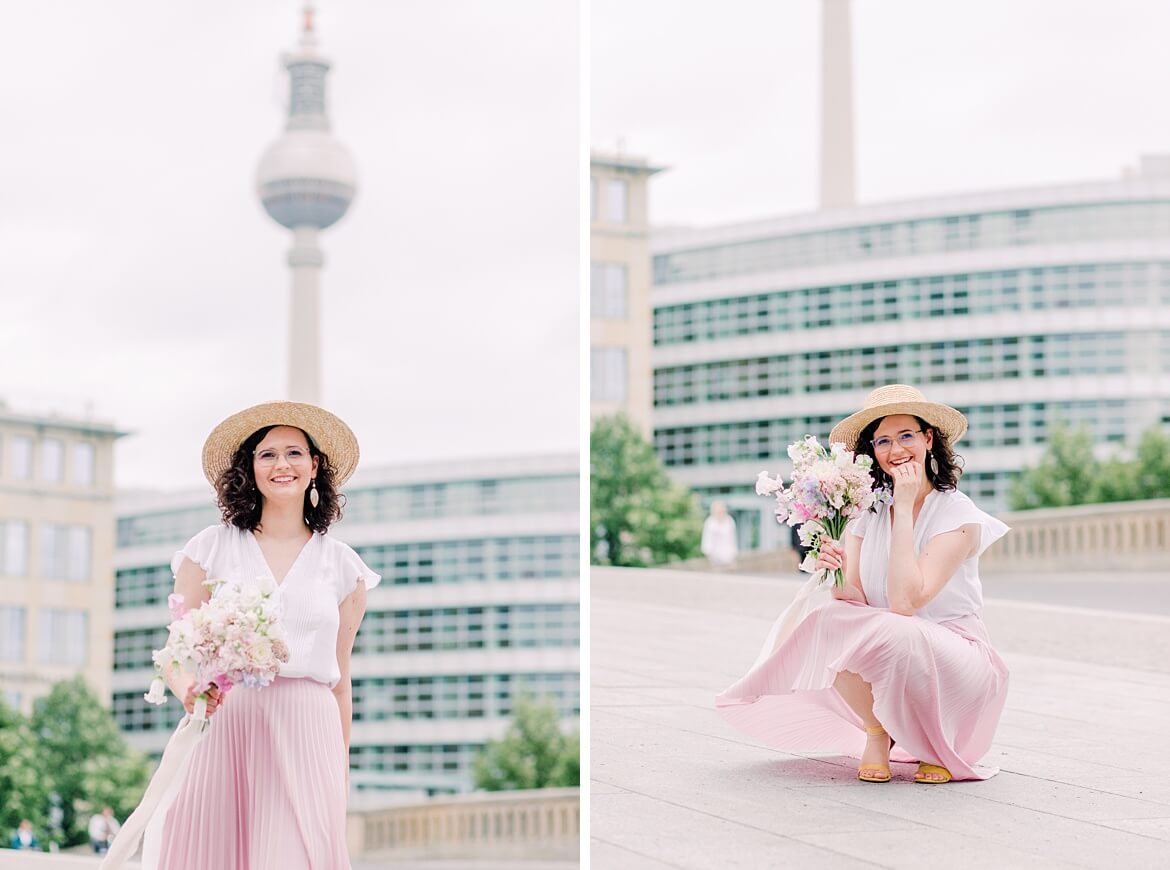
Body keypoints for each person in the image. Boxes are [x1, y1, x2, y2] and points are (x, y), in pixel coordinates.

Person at [716, 384, 1010, 783]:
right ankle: (878, 730)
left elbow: (906, 602)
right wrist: (835, 570)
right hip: (896, 642)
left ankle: (935, 743)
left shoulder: (958, 515)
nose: (896, 449)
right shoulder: (868, 515)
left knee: (899, 630)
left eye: (906, 435)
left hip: (958, 660)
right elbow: (855, 599)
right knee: (828, 617)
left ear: (928, 439)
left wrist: (904, 507)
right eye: (883, 441)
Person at [151, 401, 379, 868]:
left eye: (294, 453)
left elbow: (341, 682)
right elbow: (176, 651)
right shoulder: (209, 548)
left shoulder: (343, 567)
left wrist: (340, 771)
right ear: (249, 469)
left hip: (308, 733)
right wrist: (191, 690)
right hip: (225, 728)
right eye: (267, 454)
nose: (282, 465)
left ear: (314, 467)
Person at [700, 501, 738, 568]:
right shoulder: (709, 523)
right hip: (714, 558)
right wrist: (709, 556)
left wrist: (733, 555)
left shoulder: (730, 521)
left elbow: (732, 539)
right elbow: (707, 540)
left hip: (728, 557)